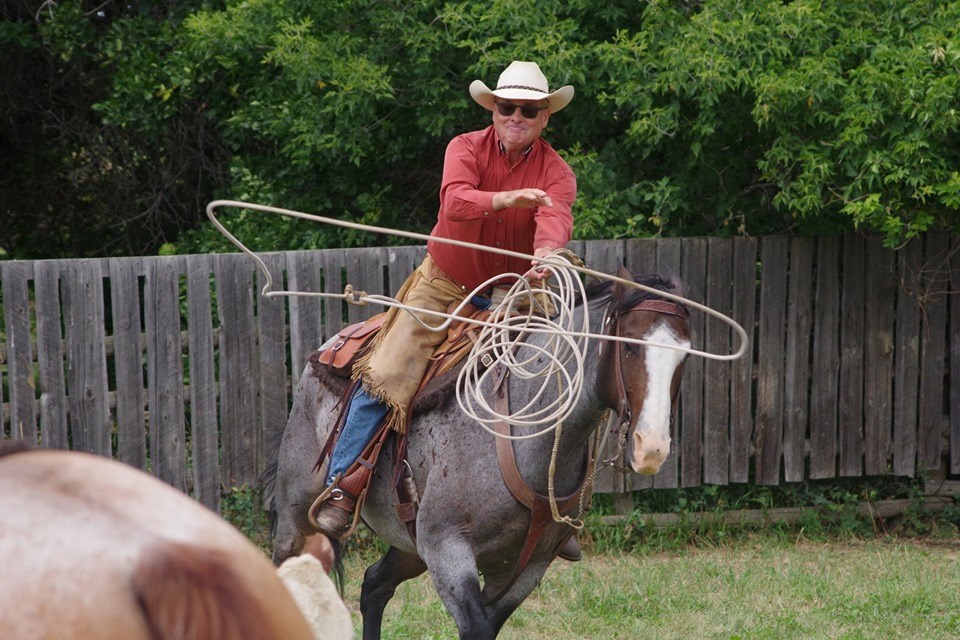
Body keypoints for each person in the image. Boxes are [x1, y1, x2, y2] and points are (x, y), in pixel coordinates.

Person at [312, 61, 578, 550]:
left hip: (513, 287)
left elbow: (554, 218)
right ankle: (343, 483)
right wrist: (507, 199)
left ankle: (556, 511)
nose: (516, 115)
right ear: (493, 110)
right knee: (389, 372)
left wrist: (546, 255)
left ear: (545, 117)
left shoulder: (558, 173)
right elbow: (455, 202)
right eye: (507, 106)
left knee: (558, 377)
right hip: (445, 281)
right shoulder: (464, 147)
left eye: (528, 109)